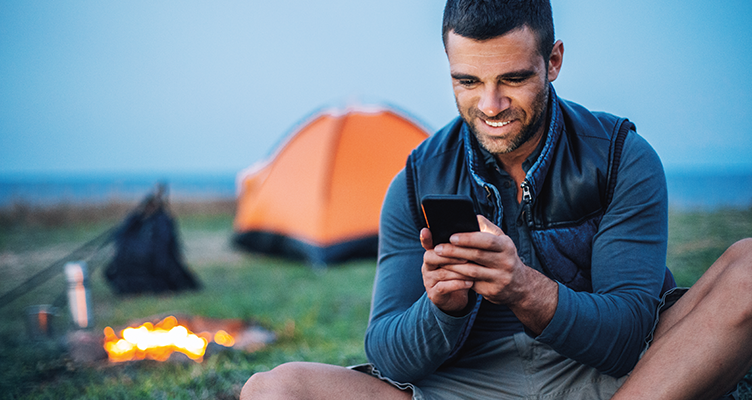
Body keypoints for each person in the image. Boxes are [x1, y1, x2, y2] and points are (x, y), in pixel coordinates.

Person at [241, 1, 752, 398]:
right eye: (468, 81)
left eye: (512, 79)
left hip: (620, 383)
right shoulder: (416, 180)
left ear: (552, 62)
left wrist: (524, 289)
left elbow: (625, 339)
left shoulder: (622, 157)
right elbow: (390, 357)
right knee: (272, 389)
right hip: (464, 388)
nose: (490, 106)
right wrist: (443, 307)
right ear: (449, 66)